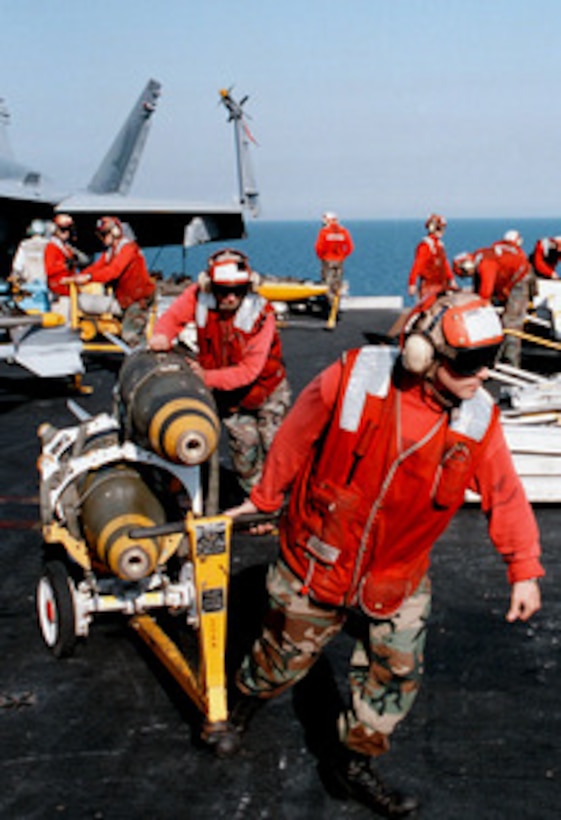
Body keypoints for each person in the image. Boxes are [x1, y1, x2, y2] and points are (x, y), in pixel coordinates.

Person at [225, 290, 543, 817]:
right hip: (319, 555)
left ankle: (351, 764)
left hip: (397, 570)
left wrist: (524, 568)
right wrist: (262, 499)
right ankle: (244, 700)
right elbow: (295, 436)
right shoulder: (356, 378)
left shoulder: (476, 418)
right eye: (470, 362)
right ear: (425, 356)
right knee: (282, 658)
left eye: (493, 358)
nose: (485, 374)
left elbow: (504, 492)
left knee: (395, 675)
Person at [149, 248, 291, 493]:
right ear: (210, 286)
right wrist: (162, 335)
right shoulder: (198, 297)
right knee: (244, 452)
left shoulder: (261, 316)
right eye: (223, 290)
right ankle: (257, 505)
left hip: (267, 392)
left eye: (238, 291)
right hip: (231, 395)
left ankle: (274, 503)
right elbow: (172, 317)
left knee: (274, 448)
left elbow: (249, 370)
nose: (230, 298)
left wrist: (206, 377)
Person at [80, 216, 156, 347]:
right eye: (100, 235)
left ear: (115, 232)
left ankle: (144, 356)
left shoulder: (128, 248)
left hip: (138, 298)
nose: (103, 238)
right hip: (126, 300)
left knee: (131, 334)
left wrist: (88, 278)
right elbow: (97, 267)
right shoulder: (110, 253)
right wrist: (78, 277)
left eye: (105, 234)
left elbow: (113, 271)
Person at [464, 229, 532, 369]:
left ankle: (511, 364)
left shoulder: (485, 263)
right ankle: (498, 356)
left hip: (520, 278)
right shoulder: (484, 254)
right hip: (515, 274)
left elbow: (485, 293)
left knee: (511, 324)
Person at [44, 213, 90, 320]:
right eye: (62, 229)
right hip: (60, 293)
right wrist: (64, 265)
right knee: (63, 322)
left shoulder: (67, 248)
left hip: (70, 291)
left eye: (68, 229)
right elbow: (49, 269)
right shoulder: (52, 247)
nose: (66, 232)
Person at [408, 213, 457, 300]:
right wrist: (412, 283)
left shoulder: (440, 245)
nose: (441, 231)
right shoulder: (425, 246)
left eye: (443, 228)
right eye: (439, 228)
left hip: (442, 285)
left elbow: (445, 264)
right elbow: (417, 265)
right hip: (429, 287)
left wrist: (451, 279)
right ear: (432, 228)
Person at [314, 211, 354, 305]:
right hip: (339, 260)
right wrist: (343, 256)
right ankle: (337, 301)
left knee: (327, 283)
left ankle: (330, 303)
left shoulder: (324, 231)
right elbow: (350, 247)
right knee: (337, 283)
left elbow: (319, 247)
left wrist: (322, 257)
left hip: (327, 260)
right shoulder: (343, 231)